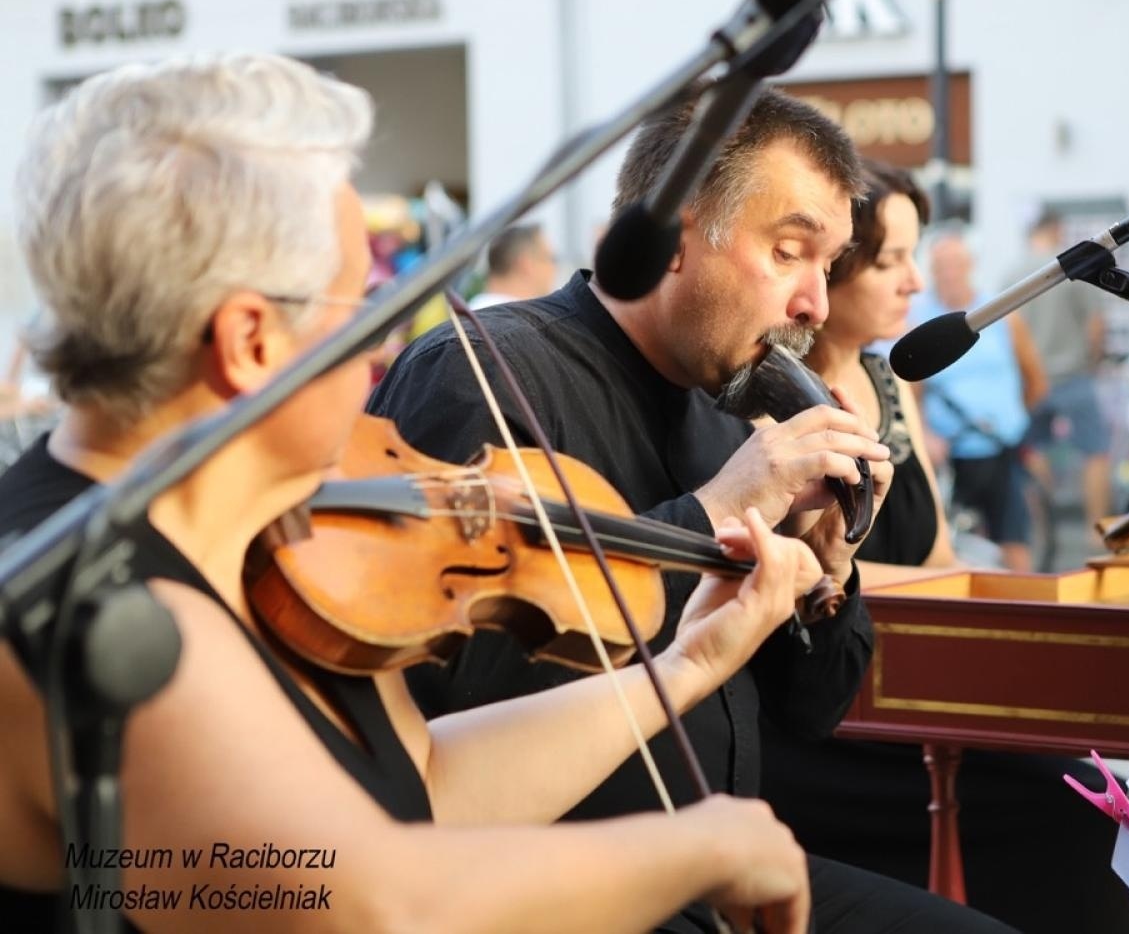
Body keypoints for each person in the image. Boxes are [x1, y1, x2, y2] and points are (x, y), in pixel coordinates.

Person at [0, 52, 823, 933]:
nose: (382, 345)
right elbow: (370, 905)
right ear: (249, 342)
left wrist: (686, 665)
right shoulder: (97, 610)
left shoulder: (271, 544)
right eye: (360, 306)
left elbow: (425, 784)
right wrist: (705, 849)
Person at [367, 89, 1015, 931]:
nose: (815, 303)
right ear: (670, 237)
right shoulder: (483, 372)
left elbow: (810, 711)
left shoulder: (726, 408)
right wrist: (715, 508)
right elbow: (458, 684)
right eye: (790, 253)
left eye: (830, 265)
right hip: (545, 890)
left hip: (710, 871)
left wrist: (830, 568)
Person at [761, 159, 1129, 933]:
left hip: (912, 683)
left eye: (916, 256)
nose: (913, 283)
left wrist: (1049, 593)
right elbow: (800, 568)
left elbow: (937, 557)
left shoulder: (890, 379)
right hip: (830, 711)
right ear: (828, 274)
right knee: (1081, 816)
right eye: (889, 261)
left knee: (1106, 796)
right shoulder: (769, 398)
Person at [911, 229, 1047, 572]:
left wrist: (1013, 418)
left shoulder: (1000, 313)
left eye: (956, 263)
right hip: (950, 452)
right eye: (941, 265)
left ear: (970, 266)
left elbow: (1035, 378)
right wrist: (924, 432)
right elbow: (911, 386)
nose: (949, 272)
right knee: (944, 546)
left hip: (1001, 447)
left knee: (1015, 542)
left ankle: (1026, 612)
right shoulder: (917, 316)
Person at [1010, 211, 1114, 544]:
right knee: (1094, 451)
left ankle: (1043, 529)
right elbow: (1096, 326)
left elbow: (1006, 331)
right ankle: (1096, 531)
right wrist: (1092, 362)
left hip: (1031, 381)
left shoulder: (1013, 273)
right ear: (1056, 230)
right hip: (1074, 376)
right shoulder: (1074, 268)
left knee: (1032, 451)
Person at [469, 218, 558, 309]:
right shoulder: (511, 318)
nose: (554, 268)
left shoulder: (473, 313)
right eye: (551, 259)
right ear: (526, 265)